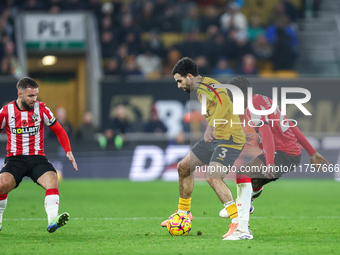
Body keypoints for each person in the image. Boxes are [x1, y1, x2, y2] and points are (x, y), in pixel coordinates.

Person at [220, 76, 329, 240]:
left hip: (283, 154)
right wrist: (311, 152)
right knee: (254, 181)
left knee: (243, 174)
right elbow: (289, 125)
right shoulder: (264, 100)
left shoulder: (253, 107)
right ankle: (246, 204)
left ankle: (242, 231)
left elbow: (267, 133)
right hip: (291, 154)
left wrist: (270, 162)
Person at [160, 57, 246, 238]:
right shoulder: (200, 90)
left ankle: (238, 224)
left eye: (179, 81)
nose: (178, 85)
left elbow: (225, 101)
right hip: (216, 139)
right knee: (183, 167)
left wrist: (212, 125)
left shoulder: (210, 86)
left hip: (230, 138)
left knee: (213, 177)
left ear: (189, 76)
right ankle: (183, 214)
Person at [0, 77, 78, 233]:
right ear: (20, 94)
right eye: (30, 96)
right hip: (15, 160)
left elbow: (59, 130)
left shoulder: (41, 109)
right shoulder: (6, 111)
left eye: (35, 95)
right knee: (2, 185)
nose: (34, 99)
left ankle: (52, 221)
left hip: (37, 158)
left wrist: (68, 151)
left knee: (52, 180)